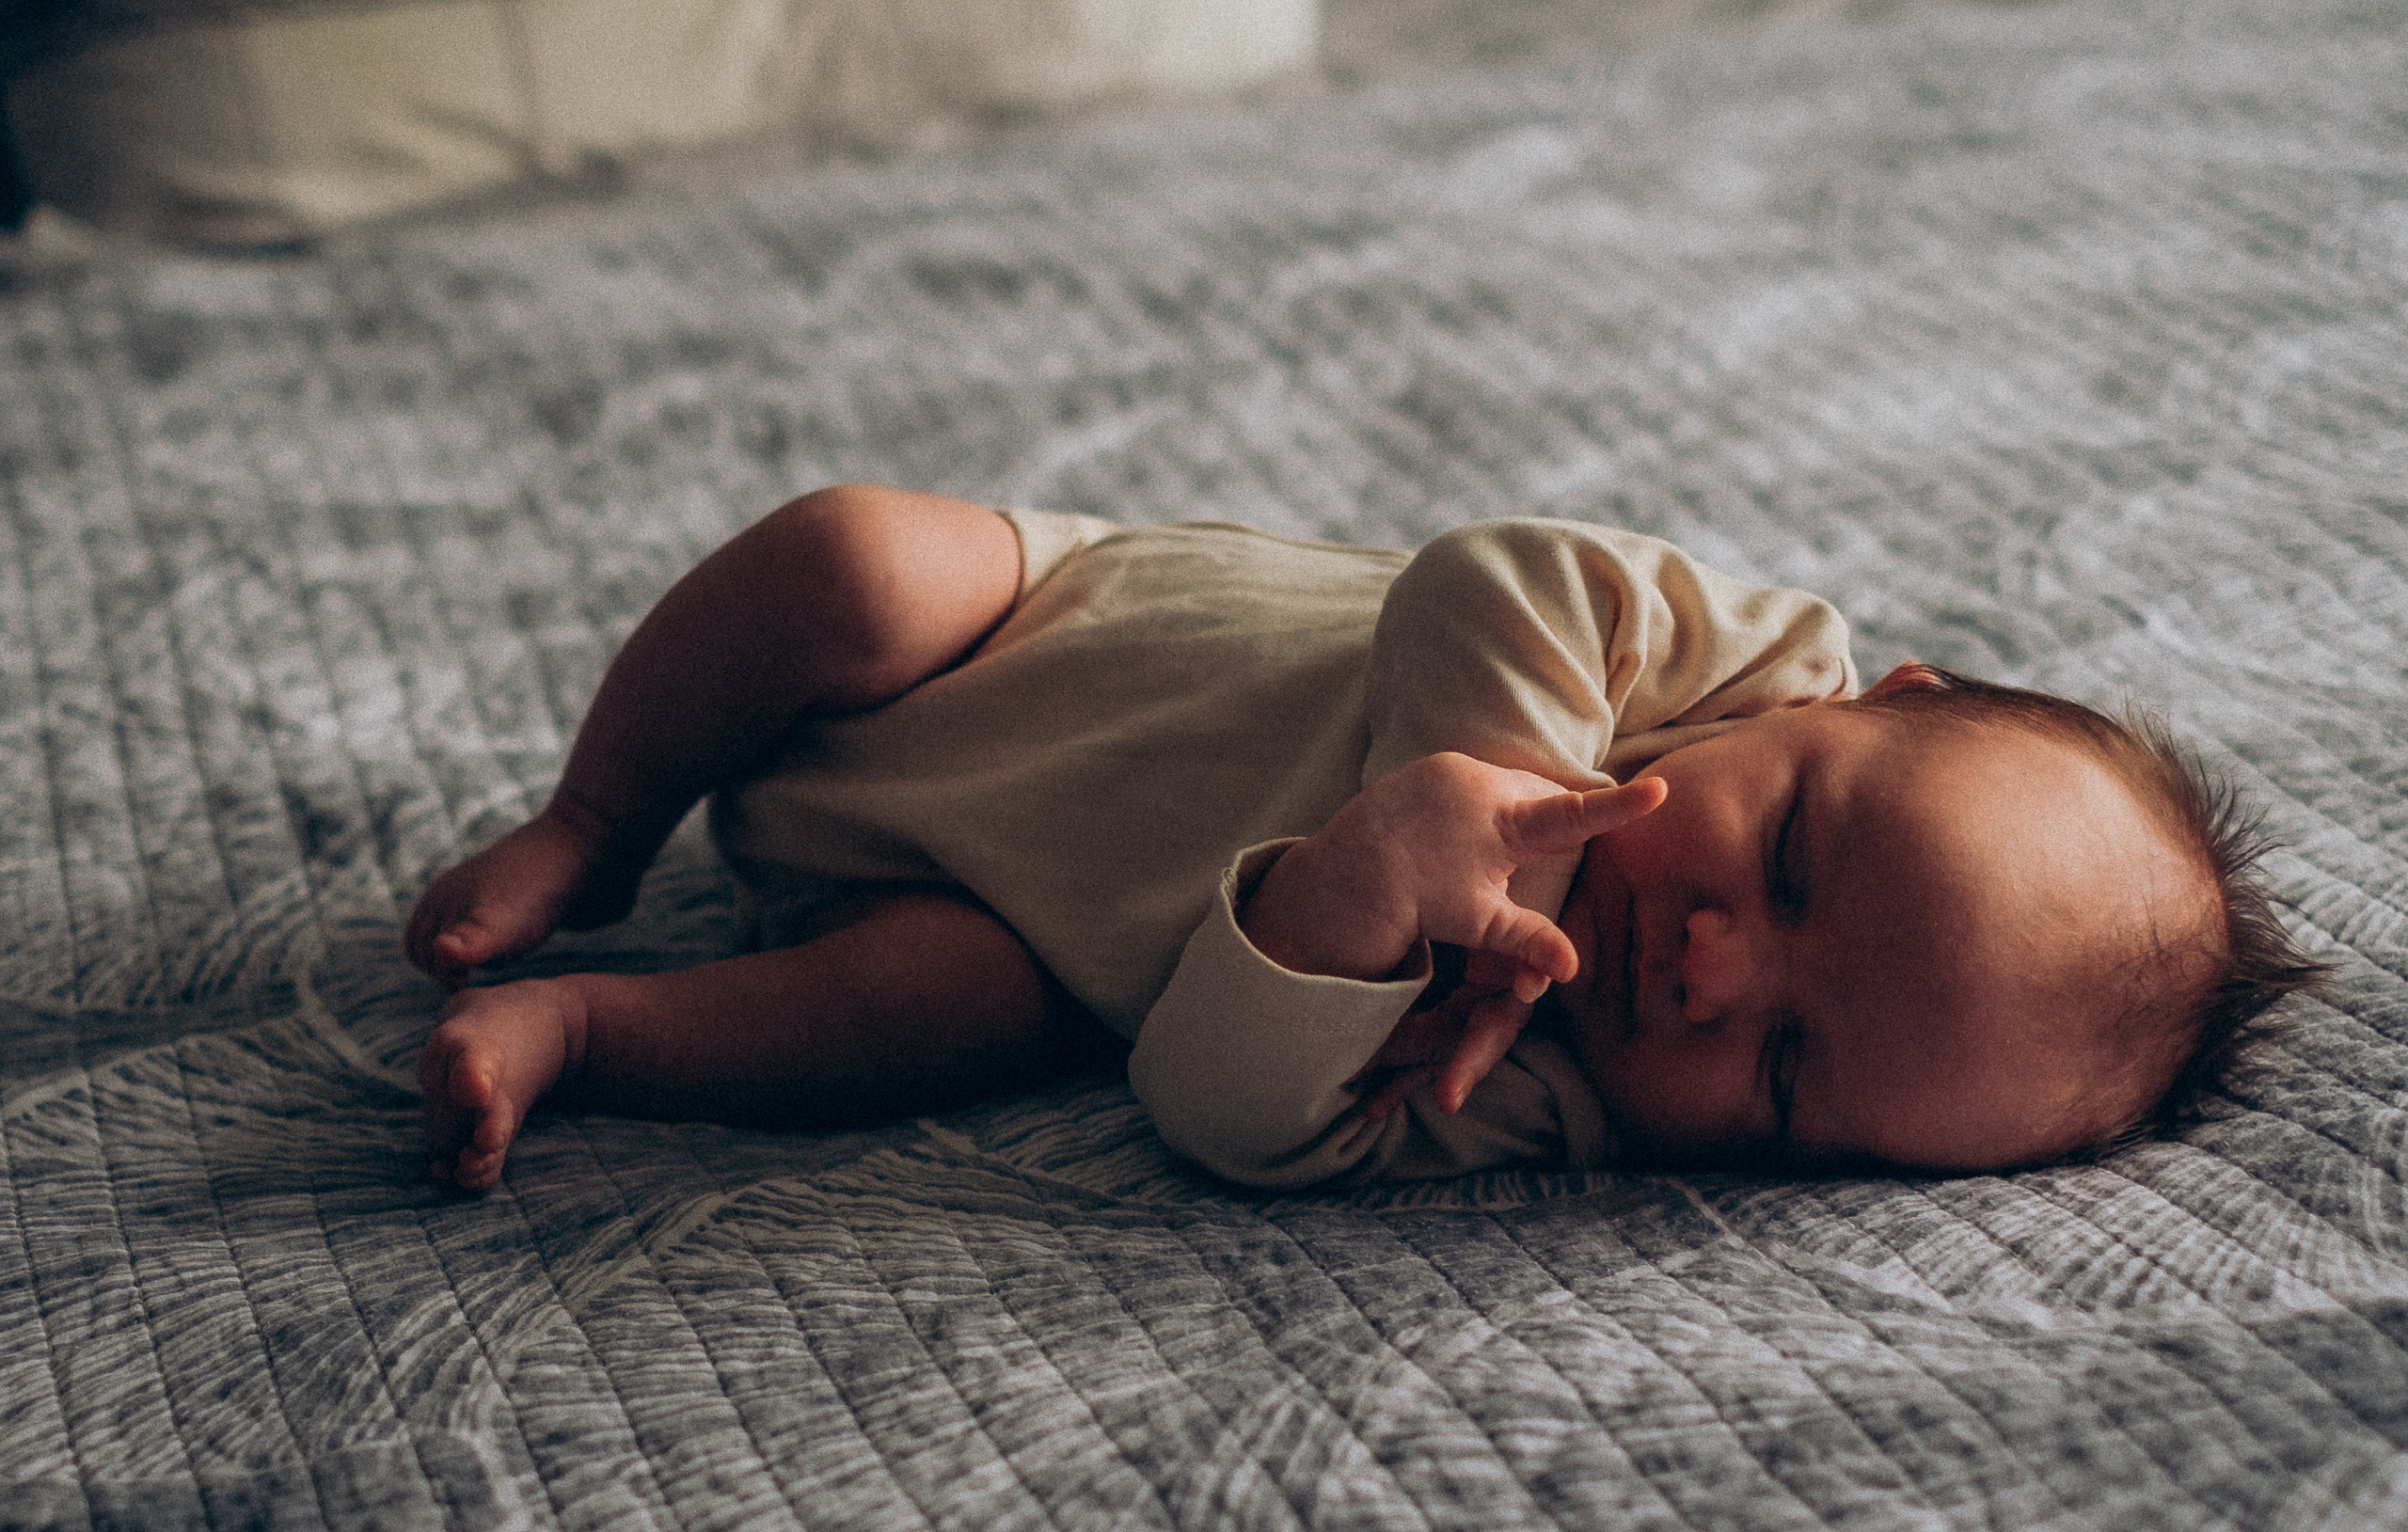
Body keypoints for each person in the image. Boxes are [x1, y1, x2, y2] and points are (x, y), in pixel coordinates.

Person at [405, 484, 2322, 1192]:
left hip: (994, 913)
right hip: (1044, 621)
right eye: (1799, 863)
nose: (1712, 969)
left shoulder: (1557, 1088)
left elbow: (1230, 1117)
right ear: (1865, 705)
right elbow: (1501, 569)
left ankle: (591, 1031)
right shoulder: (1737, 658)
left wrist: (1343, 917)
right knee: (851, 556)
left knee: (924, 1014)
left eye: (1789, 1073)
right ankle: (599, 812)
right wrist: (1476, 810)